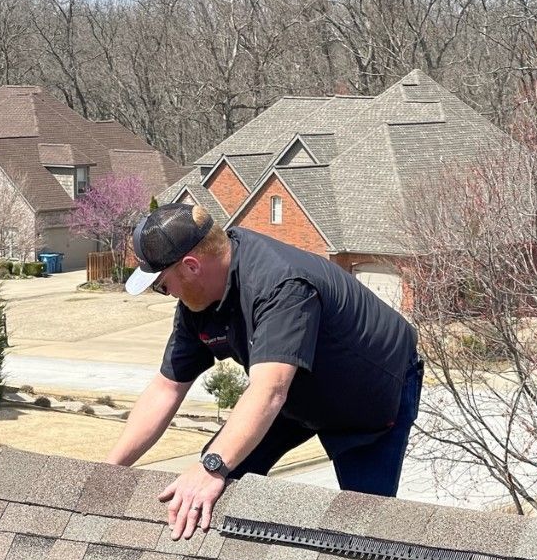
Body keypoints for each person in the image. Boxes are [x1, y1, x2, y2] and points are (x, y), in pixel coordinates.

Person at [106, 203, 423, 540]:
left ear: (191, 266)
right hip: (288, 392)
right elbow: (167, 388)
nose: (167, 294)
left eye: (162, 285)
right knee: (213, 483)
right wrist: (108, 471)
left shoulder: (281, 285)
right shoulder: (197, 303)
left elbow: (269, 391)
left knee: (362, 532)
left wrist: (212, 467)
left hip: (366, 396)